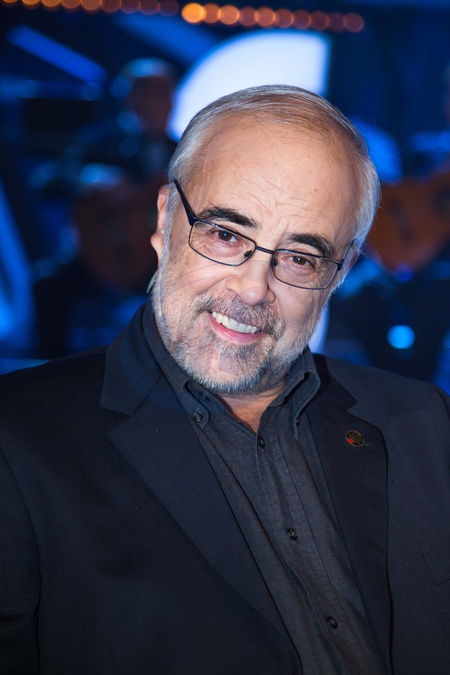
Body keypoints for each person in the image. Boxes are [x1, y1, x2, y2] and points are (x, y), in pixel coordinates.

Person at [1, 85, 449, 675]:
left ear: (338, 275)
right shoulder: (19, 438)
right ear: (163, 220)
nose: (253, 289)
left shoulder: (425, 423)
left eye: (299, 257)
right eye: (226, 234)